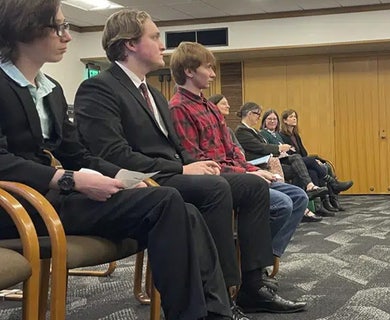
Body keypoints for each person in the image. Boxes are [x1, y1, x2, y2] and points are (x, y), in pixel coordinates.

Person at [0, 1, 233, 319]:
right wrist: (70, 179)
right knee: (166, 200)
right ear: (26, 28)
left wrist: (129, 178)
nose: (67, 36)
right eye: (60, 27)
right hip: (16, 205)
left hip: (51, 196)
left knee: (182, 208)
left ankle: (213, 311)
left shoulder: (50, 89)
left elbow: (78, 154)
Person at [73, 10, 305, 315]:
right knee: (215, 188)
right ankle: (222, 297)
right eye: (154, 36)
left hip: (170, 174)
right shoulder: (100, 87)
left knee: (250, 186)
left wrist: (194, 164)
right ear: (130, 44)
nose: (162, 45)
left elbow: (176, 148)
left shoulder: (154, 93)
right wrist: (182, 168)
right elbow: (112, 153)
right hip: (141, 179)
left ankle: (252, 285)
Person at [167, 42, 308, 262]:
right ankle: (251, 262)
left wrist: (251, 169)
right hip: (217, 182)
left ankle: (258, 258)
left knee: (299, 197)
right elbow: (198, 161)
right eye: (208, 68)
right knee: (283, 204)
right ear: (189, 71)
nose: (213, 74)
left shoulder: (210, 107)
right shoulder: (178, 108)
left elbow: (232, 150)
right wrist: (247, 174)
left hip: (236, 175)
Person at [211, 98, 322, 223]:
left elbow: (240, 153)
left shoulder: (250, 131)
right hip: (256, 164)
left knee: (306, 168)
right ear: (249, 114)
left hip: (256, 164)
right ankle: (304, 202)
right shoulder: (242, 131)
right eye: (258, 114)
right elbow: (258, 148)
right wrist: (278, 148)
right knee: (301, 166)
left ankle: (313, 203)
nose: (259, 118)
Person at [279, 109, 353, 210]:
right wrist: (311, 160)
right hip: (292, 163)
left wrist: (312, 161)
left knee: (315, 170)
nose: (294, 118)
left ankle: (324, 204)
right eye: (291, 117)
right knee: (316, 162)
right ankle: (333, 184)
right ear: (284, 121)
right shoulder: (281, 135)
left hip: (301, 161)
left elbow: (304, 153)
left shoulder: (296, 135)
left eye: (295, 116)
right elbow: (291, 155)